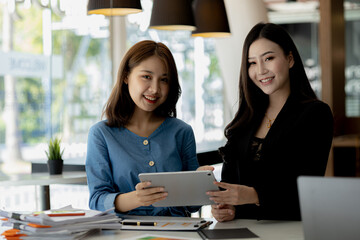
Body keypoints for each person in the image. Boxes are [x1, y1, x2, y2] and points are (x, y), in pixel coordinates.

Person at [207, 22, 334, 221]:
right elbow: (230, 183)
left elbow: (308, 186)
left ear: (290, 59)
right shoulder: (245, 118)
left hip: (290, 230)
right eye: (252, 63)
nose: (261, 70)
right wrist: (225, 207)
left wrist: (253, 196)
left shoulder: (315, 114)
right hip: (242, 231)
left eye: (269, 58)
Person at [85, 40, 201, 217]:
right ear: (126, 76)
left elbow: (193, 207)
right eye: (146, 77)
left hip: (178, 232)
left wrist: (200, 185)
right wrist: (136, 198)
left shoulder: (182, 132)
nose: (155, 89)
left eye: (164, 80)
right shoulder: (101, 134)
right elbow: (97, 200)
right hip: (124, 234)